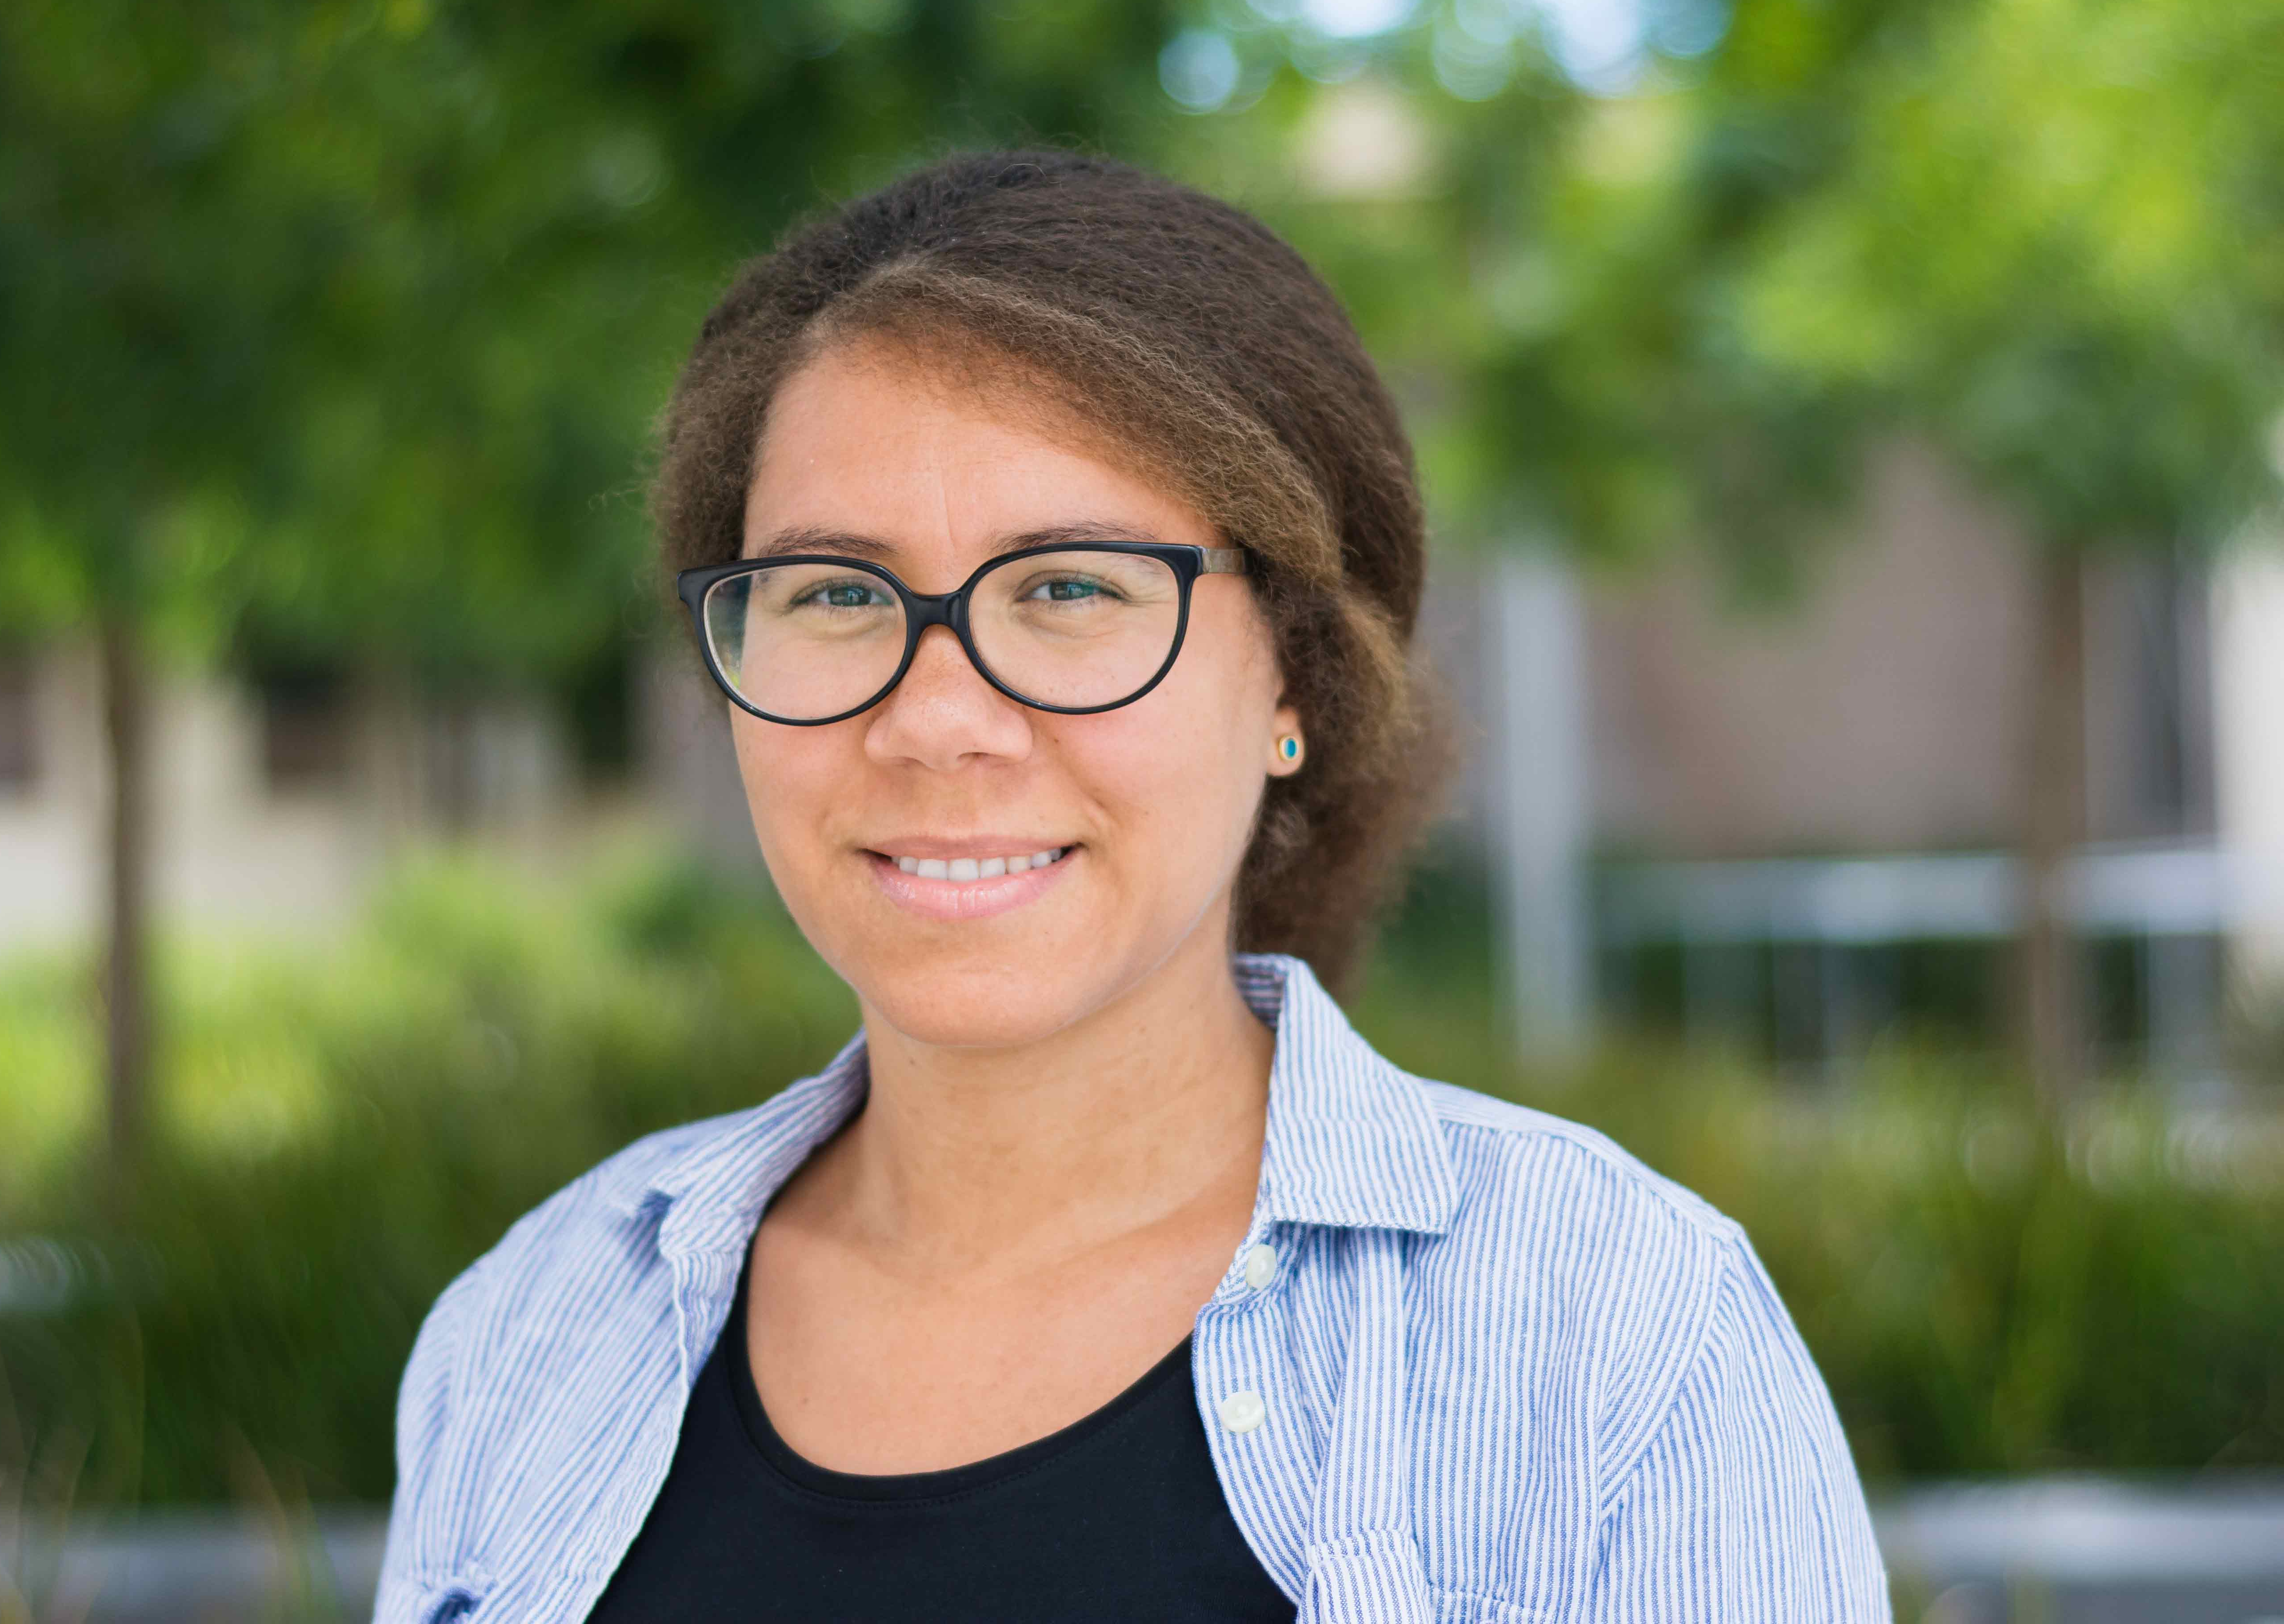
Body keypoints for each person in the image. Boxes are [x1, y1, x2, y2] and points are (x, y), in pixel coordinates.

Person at [371, 151, 1890, 1623]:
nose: (938, 719)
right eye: (836, 594)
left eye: (1072, 590)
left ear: (1296, 668)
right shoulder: (536, 1326)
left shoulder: (1616, 1339)